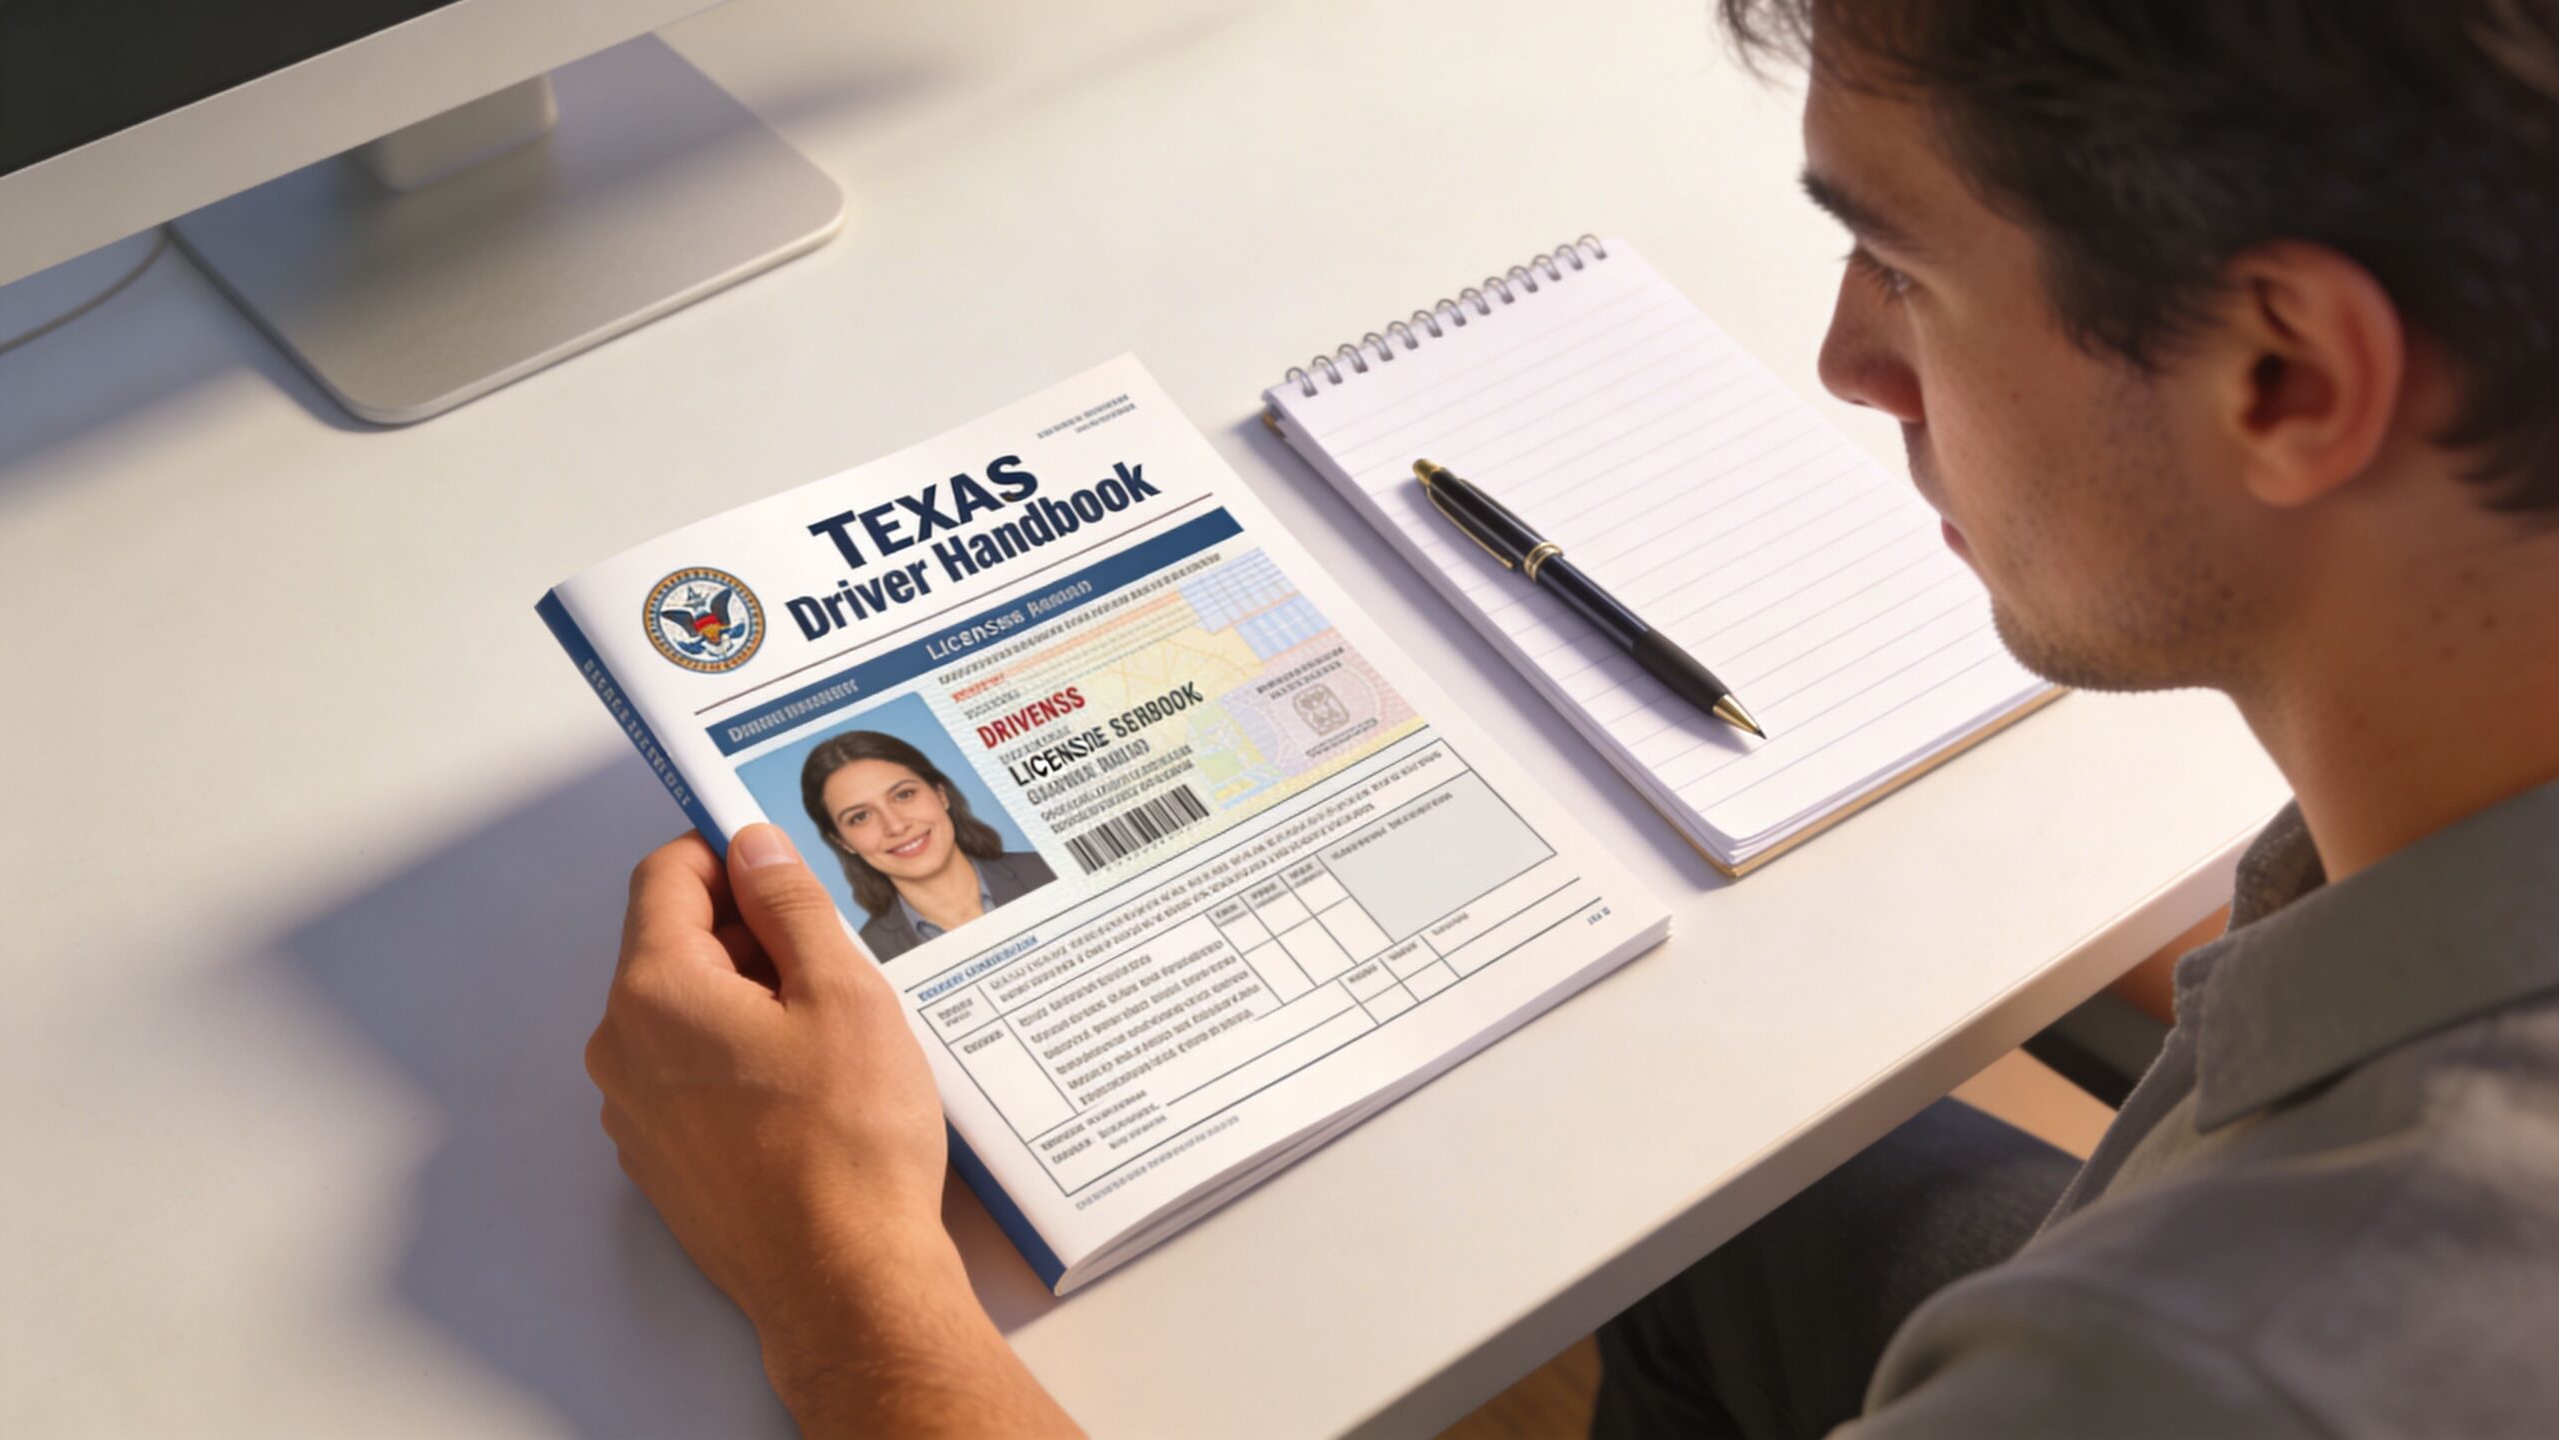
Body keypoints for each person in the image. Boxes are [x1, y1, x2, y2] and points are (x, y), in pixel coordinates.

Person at [581, 1, 2559, 1433]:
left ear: (2287, 378)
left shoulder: (2227, 1360)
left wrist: (838, 1288)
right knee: (1730, 1216)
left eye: (1898, 263)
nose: (1845, 359)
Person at [797, 728, 1055, 963]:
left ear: (940, 794)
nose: (896, 826)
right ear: (842, 841)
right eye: (860, 817)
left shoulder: (1049, 869)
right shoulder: (866, 958)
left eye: (904, 795)